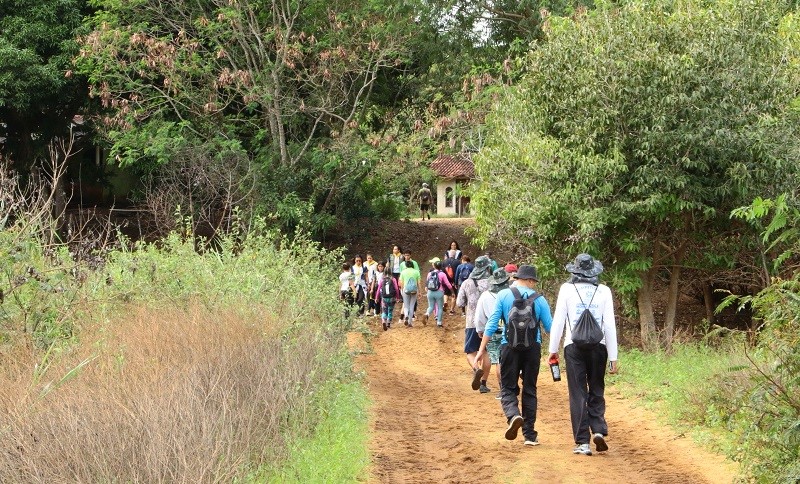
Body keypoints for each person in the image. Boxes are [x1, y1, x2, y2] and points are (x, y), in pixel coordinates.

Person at [548, 254, 619, 456]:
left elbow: (559, 322)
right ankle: (598, 430)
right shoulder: (604, 291)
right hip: (599, 347)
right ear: (594, 271)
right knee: (597, 388)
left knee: (578, 393)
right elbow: (609, 325)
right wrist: (613, 357)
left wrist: (553, 350)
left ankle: (582, 442)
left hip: (574, 347)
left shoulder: (567, 289)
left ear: (575, 271)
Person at [475, 264, 553, 446]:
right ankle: (530, 436)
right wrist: (555, 351)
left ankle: (513, 415)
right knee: (530, 389)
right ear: (530, 280)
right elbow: (550, 327)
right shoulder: (540, 299)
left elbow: (492, 323)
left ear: (517, 278)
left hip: (508, 347)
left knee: (508, 387)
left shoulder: (503, 295)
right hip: (533, 348)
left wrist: (481, 349)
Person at [456, 255, 492, 391]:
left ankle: (476, 368)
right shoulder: (491, 283)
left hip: (471, 322)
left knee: (470, 352)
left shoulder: (467, 283)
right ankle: (483, 384)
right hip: (489, 322)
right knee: (487, 352)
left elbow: (460, 302)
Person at [474, 268, 512, 397]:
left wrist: (480, 329)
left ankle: (501, 388)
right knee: (506, 359)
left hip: (492, 330)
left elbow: (479, 315)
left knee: (494, 358)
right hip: (510, 330)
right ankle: (507, 387)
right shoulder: (511, 293)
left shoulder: (485, 295)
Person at [423, 258, 453, 327]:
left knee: (431, 306)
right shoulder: (442, 274)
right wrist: (452, 292)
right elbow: (448, 284)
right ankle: (439, 323)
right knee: (440, 308)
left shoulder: (430, 273)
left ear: (434, 266)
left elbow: (427, 282)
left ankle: (427, 314)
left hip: (430, 292)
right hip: (439, 292)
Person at [376, 266, 400, 331]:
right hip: (392, 298)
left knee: (384, 310)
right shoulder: (393, 279)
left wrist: (376, 297)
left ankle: (383, 320)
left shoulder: (382, 279)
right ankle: (388, 323)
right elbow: (396, 288)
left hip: (384, 298)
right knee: (390, 310)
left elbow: (378, 289)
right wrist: (398, 297)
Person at [399, 260, 421, 327]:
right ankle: (410, 322)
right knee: (412, 305)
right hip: (414, 290)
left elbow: (401, 283)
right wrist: (420, 291)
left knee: (406, 305)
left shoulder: (403, 272)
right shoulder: (416, 272)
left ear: (406, 265)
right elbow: (419, 283)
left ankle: (406, 315)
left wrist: (402, 290)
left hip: (406, 289)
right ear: (412, 265)